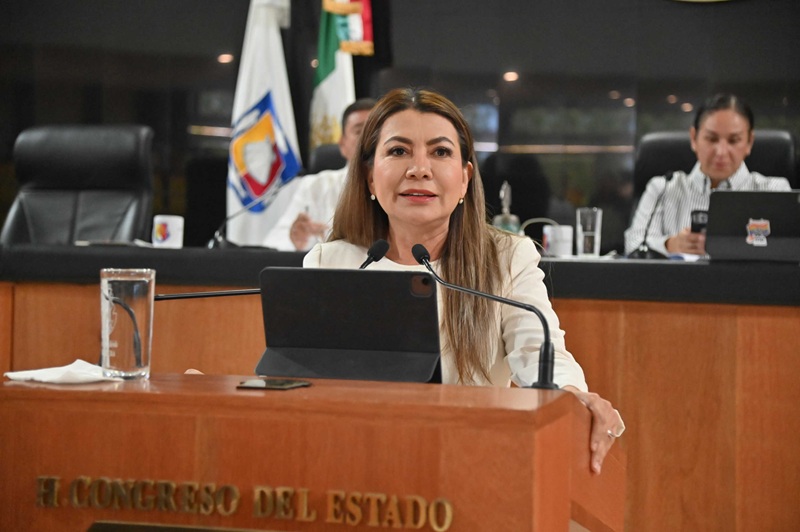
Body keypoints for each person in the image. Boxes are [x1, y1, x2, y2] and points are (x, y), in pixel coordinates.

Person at [303, 87, 625, 475]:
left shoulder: (507, 258)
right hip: (356, 465)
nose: (419, 169)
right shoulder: (330, 263)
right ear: (370, 176)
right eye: (398, 150)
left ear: (465, 178)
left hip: (471, 463)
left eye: (440, 152)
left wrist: (571, 394)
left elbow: (539, 351)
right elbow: (303, 382)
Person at [624, 93, 792, 257]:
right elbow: (633, 244)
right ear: (694, 138)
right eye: (712, 139)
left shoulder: (774, 190)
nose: (721, 152)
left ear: (749, 142)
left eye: (733, 140)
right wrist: (670, 244)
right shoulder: (663, 188)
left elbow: (790, 249)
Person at [262, 98, 377, 251]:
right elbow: (274, 242)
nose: (368, 139)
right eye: (359, 131)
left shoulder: (402, 186)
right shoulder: (315, 186)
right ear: (342, 145)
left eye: (375, 131)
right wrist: (296, 241)